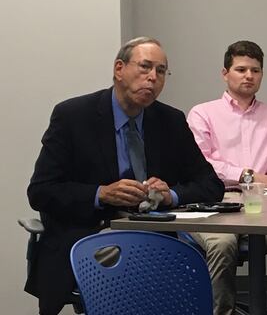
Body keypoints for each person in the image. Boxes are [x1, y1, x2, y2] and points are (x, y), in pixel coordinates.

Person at [27, 37, 225, 315]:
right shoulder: (73, 116)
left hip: (158, 236)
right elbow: (41, 191)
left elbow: (211, 185)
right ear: (119, 69)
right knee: (128, 279)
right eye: (145, 67)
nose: (152, 78)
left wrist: (172, 195)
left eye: (160, 71)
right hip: (91, 234)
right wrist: (100, 193)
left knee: (192, 277)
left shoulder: (170, 120)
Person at [187, 41, 267, 315]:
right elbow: (202, 165)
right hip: (216, 202)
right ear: (225, 73)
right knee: (223, 243)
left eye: (255, 70)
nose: (249, 75)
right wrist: (247, 175)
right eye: (241, 69)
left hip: (265, 203)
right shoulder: (202, 113)